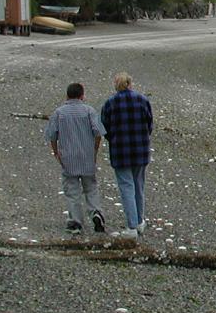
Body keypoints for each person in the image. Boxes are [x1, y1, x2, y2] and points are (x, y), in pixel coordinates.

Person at [43, 82, 106, 235]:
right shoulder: (89, 111)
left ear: (67, 95)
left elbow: (52, 135)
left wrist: (56, 152)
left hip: (68, 157)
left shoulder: (59, 113)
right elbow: (98, 132)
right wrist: (95, 149)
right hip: (87, 156)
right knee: (90, 187)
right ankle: (96, 212)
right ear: (82, 95)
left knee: (72, 191)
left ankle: (76, 222)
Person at [100, 72, 153, 240]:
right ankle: (139, 222)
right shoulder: (143, 100)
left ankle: (132, 226)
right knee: (139, 186)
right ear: (130, 83)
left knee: (126, 188)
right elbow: (149, 123)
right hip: (140, 150)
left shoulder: (110, 103)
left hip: (120, 151)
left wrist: (114, 140)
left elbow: (104, 127)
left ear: (116, 85)